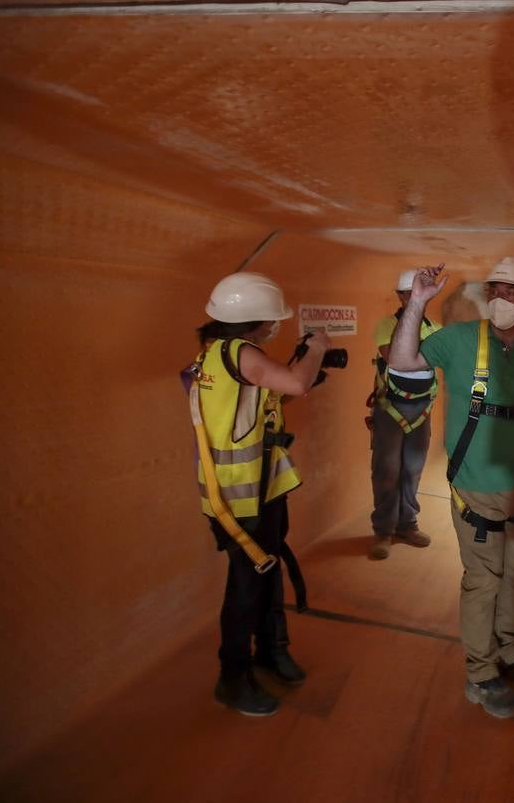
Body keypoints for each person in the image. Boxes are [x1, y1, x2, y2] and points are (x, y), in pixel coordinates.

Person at [388, 256, 514, 719]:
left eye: (513, 291)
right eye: (496, 290)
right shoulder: (458, 340)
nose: (502, 298)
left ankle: (509, 651)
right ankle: (480, 673)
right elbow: (403, 360)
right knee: (483, 581)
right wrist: (418, 304)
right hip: (476, 486)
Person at [185, 271, 330, 717]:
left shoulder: (212, 354)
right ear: (252, 321)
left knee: (264, 575)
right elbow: (296, 384)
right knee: (246, 586)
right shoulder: (243, 354)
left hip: (253, 491)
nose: (276, 325)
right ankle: (233, 676)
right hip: (242, 498)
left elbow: (253, 405)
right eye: (272, 318)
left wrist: (291, 371)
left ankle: (271, 651)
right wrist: (316, 350)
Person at [367, 269, 442, 559]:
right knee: (386, 470)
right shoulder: (387, 325)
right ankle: (383, 531)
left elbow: (434, 359)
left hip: (421, 409)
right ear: (399, 296)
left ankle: (407, 524)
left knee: (412, 469)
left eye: (418, 292)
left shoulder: (435, 328)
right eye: (408, 293)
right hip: (390, 408)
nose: (414, 298)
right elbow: (396, 358)